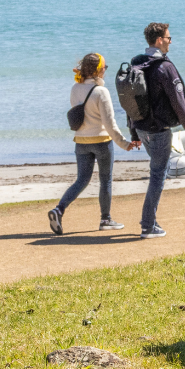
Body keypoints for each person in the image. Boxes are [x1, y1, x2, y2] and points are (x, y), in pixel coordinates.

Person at [48, 53, 136, 235]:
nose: (105, 71)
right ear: (97, 70)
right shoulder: (101, 92)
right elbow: (110, 124)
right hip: (102, 142)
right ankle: (106, 219)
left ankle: (59, 209)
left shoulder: (75, 88)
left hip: (81, 142)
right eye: (104, 67)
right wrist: (124, 143)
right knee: (105, 180)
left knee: (81, 180)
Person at [128, 22, 185, 239]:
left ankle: (151, 221)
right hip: (158, 130)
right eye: (168, 38)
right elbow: (178, 103)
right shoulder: (165, 67)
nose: (170, 41)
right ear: (159, 40)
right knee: (158, 174)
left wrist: (132, 132)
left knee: (157, 171)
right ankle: (148, 225)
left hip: (141, 129)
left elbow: (130, 101)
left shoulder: (136, 65)